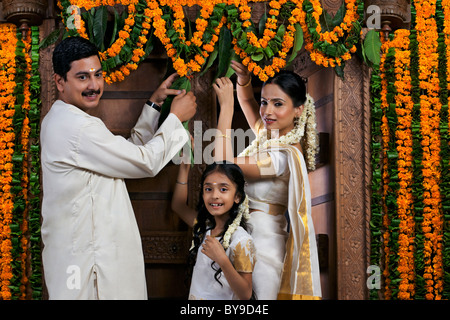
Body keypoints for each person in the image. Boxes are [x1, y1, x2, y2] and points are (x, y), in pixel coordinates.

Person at [40, 36, 197, 299]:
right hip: (89, 264)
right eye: (82, 77)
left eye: (98, 75)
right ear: (59, 82)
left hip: (85, 257)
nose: (94, 85)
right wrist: (175, 118)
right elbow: (144, 162)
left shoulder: (64, 120)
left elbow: (124, 157)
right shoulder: (77, 127)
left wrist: (154, 106)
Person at [211, 60, 321, 300]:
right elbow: (248, 101)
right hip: (243, 234)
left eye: (278, 104)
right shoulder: (270, 136)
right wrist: (244, 80)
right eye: (265, 102)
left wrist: (226, 107)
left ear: (299, 109)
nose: (268, 111)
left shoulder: (282, 155)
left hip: (263, 244)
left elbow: (223, 166)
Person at [171, 161, 256, 300]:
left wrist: (222, 259)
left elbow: (245, 294)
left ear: (237, 197)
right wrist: (184, 167)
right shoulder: (205, 227)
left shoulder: (241, 240)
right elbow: (178, 206)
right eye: (208, 189)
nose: (215, 195)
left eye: (223, 189)